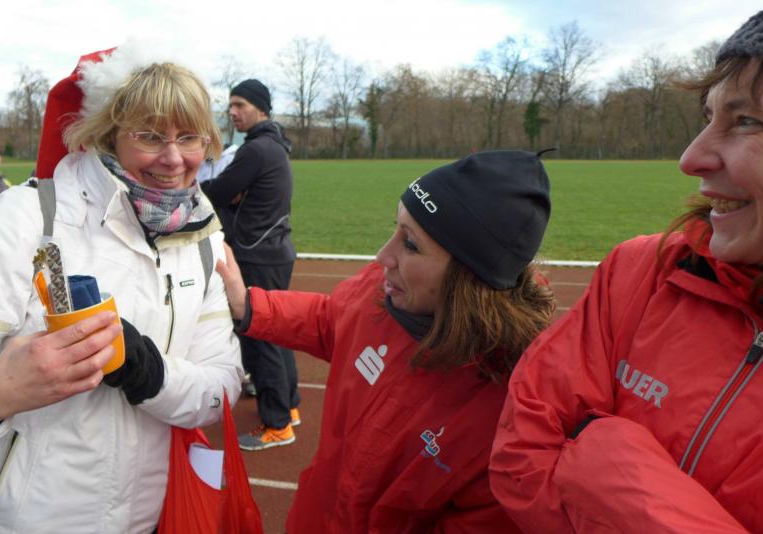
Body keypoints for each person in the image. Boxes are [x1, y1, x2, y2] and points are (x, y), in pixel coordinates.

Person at [490, 3, 763, 532]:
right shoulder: (640, 273)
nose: (690, 158)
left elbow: (570, 459)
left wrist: (608, 462)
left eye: (746, 120)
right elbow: (524, 454)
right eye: (708, 118)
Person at [216, 150, 556, 532]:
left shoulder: (510, 413)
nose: (382, 256)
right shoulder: (386, 290)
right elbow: (331, 320)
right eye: (395, 229)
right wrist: (249, 305)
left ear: (470, 277)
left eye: (410, 244)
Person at [0, 44, 242, 533]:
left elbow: (222, 389)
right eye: (150, 136)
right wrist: (2, 390)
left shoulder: (203, 239)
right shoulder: (28, 218)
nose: (174, 158)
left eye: (189, 137)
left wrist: (148, 372)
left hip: (148, 518)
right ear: (109, 133)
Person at [202, 78, 299, 451]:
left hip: (256, 254)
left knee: (260, 336)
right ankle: (289, 406)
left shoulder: (256, 150)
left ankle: (277, 423)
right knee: (277, 330)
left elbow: (217, 191)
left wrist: (192, 189)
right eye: (231, 105)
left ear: (261, 108)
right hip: (273, 250)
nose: (232, 112)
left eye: (240, 104)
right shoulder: (273, 145)